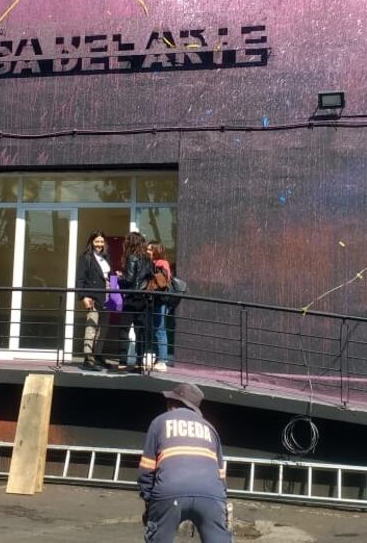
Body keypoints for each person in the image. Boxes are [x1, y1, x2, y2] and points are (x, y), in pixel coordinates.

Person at [137, 383, 231, 543]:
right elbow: (221, 475)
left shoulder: (160, 422)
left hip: (169, 491)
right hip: (211, 494)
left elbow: (147, 468)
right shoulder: (210, 428)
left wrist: (149, 502)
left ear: (173, 403)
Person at [117, 232, 153, 372]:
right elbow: (149, 276)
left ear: (130, 243)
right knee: (140, 331)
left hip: (132, 297)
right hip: (143, 298)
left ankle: (122, 361)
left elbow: (129, 279)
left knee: (124, 329)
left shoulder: (132, 257)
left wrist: (120, 277)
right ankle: (139, 363)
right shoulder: (148, 259)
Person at [75, 232, 111, 371]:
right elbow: (80, 280)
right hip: (93, 297)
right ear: (91, 242)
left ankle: (98, 356)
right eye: (97, 242)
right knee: (91, 328)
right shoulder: (86, 258)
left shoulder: (105, 257)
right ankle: (88, 359)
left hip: (108, 297)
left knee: (103, 329)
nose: (99, 245)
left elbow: (107, 276)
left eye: (101, 242)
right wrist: (83, 296)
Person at [147, 240, 173, 372]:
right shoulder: (153, 263)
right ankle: (159, 359)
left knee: (160, 329)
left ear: (157, 251)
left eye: (150, 249)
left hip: (160, 301)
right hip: (155, 301)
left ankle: (162, 360)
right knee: (156, 330)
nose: (148, 252)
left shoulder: (161, 263)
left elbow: (163, 282)